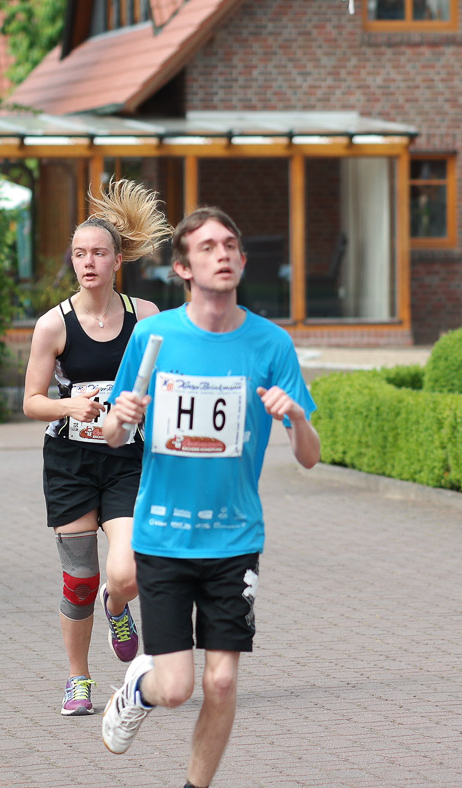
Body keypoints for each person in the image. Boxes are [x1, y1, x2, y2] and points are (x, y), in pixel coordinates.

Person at [99, 207, 320, 788]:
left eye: (230, 246)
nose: (222, 254)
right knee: (176, 689)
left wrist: (297, 418)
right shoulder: (155, 337)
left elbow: (310, 456)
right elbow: (113, 434)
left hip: (235, 537)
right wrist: (123, 417)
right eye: (207, 247)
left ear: (242, 261)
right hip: (163, 536)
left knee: (221, 683)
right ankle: (138, 689)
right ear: (183, 268)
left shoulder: (271, 343)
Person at [22, 179, 170, 717]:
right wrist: (70, 406)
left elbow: (169, 380)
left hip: (128, 459)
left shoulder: (145, 316)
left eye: (99, 253)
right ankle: (78, 679)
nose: (88, 262)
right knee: (79, 580)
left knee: (127, 570)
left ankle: (118, 604)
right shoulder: (52, 325)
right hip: (71, 464)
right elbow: (31, 402)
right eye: (80, 253)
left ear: (117, 261)